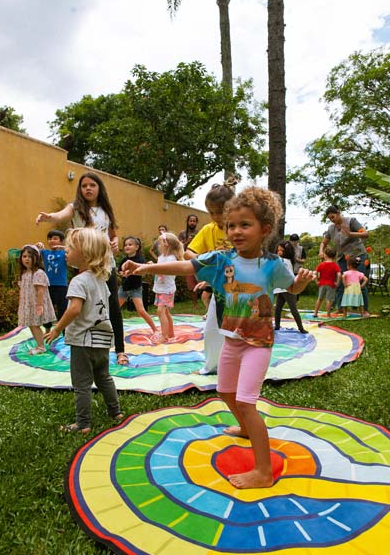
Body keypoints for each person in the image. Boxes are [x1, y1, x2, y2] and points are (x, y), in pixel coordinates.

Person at [122, 186, 315, 488]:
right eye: (231, 225)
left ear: (264, 229)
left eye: (245, 225)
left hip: (258, 344)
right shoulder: (222, 259)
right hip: (232, 341)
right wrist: (146, 266)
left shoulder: (272, 265)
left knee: (247, 402)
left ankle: (263, 472)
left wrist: (301, 283)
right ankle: (245, 428)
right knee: (225, 392)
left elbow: (291, 288)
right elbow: (186, 265)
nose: (236, 231)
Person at [35, 171, 129, 365]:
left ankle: (120, 350)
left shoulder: (105, 210)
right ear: (80, 189)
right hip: (86, 265)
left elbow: (112, 234)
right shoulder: (76, 208)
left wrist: (116, 241)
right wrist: (50, 217)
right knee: (84, 304)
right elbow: (62, 214)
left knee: (112, 307)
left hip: (106, 264)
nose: (87, 188)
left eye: (92, 185)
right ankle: (85, 346)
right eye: (84, 185)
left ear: (99, 188)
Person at [44, 228, 123, 434]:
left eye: (70, 247)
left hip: (82, 341)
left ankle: (83, 423)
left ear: (85, 254)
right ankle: (116, 412)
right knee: (104, 376)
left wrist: (57, 328)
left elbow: (75, 309)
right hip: (103, 338)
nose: (66, 251)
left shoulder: (79, 281)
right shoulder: (101, 280)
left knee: (82, 384)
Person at [185, 182, 235, 374]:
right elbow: (188, 254)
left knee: (239, 330)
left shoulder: (240, 227)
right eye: (211, 212)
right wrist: (209, 265)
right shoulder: (208, 230)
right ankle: (213, 366)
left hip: (243, 289)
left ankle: (242, 367)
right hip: (220, 289)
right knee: (213, 329)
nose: (216, 217)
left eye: (220, 212)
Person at [319, 205, 370, 316]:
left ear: (338, 212)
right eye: (330, 218)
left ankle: (365, 310)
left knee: (359, 282)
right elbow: (324, 242)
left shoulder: (351, 221)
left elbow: (365, 234)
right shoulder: (331, 228)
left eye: (333, 217)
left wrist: (351, 233)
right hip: (343, 258)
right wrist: (321, 251)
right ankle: (341, 308)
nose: (332, 220)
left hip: (358, 256)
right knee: (341, 283)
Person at [17, 244, 56, 354]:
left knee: (34, 324)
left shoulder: (38, 273)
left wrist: (39, 305)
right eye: (24, 256)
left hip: (36, 303)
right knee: (31, 324)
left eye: (29, 256)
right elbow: (23, 290)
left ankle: (40, 346)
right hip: (27, 304)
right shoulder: (24, 273)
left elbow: (40, 290)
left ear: (36, 258)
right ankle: (39, 343)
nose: (26, 259)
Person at [118, 236, 157, 333]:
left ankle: (155, 329)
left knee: (141, 311)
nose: (127, 246)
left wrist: (130, 272)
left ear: (137, 247)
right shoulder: (124, 260)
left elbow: (143, 272)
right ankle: (111, 327)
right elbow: (120, 272)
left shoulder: (140, 259)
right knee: (115, 308)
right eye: (126, 245)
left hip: (135, 289)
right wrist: (123, 273)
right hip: (124, 288)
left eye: (130, 245)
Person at [151, 231, 184, 343]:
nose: (158, 246)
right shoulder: (161, 257)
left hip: (167, 289)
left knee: (160, 311)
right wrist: (153, 266)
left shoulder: (171, 259)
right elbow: (159, 269)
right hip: (160, 288)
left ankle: (164, 336)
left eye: (160, 243)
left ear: (166, 245)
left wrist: (153, 267)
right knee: (165, 312)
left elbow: (163, 270)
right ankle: (170, 333)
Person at [36, 229, 68, 330]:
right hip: (48, 285)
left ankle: (63, 331)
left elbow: (74, 249)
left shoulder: (64, 253)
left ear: (61, 241)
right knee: (47, 308)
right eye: (49, 239)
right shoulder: (45, 252)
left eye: (55, 238)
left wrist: (62, 247)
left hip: (62, 285)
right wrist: (37, 245)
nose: (52, 241)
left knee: (63, 308)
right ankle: (47, 329)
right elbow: (31, 251)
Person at [274, 241, 308, 334]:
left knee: (293, 309)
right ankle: (277, 326)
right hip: (282, 288)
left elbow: (289, 276)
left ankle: (301, 328)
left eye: (282, 250)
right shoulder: (282, 260)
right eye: (278, 250)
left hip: (288, 288)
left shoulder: (284, 261)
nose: (279, 252)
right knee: (278, 308)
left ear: (287, 251)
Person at [313, 247, 342, 317]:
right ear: (334, 256)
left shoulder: (322, 264)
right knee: (329, 300)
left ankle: (315, 313)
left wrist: (316, 281)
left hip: (322, 284)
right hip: (331, 285)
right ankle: (328, 314)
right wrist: (337, 283)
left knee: (319, 299)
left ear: (325, 255)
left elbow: (315, 273)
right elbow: (339, 274)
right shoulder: (335, 265)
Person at [178, 214, 199, 308]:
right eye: (190, 221)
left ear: (196, 222)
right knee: (190, 284)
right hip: (187, 260)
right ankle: (195, 304)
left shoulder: (200, 232)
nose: (192, 222)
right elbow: (178, 247)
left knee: (203, 283)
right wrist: (187, 242)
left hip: (199, 259)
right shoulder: (182, 233)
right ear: (187, 222)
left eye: (194, 221)